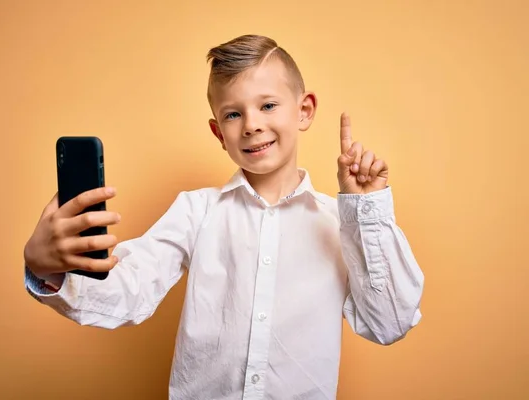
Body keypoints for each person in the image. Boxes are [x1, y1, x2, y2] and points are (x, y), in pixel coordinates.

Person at [23, 34, 424, 400]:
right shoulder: (196, 211)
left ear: (304, 111)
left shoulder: (341, 223)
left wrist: (364, 212)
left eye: (267, 105)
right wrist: (49, 270)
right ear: (219, 134)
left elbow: (388, 323)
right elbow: (131, 290)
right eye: (233, 115)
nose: (251, 125)